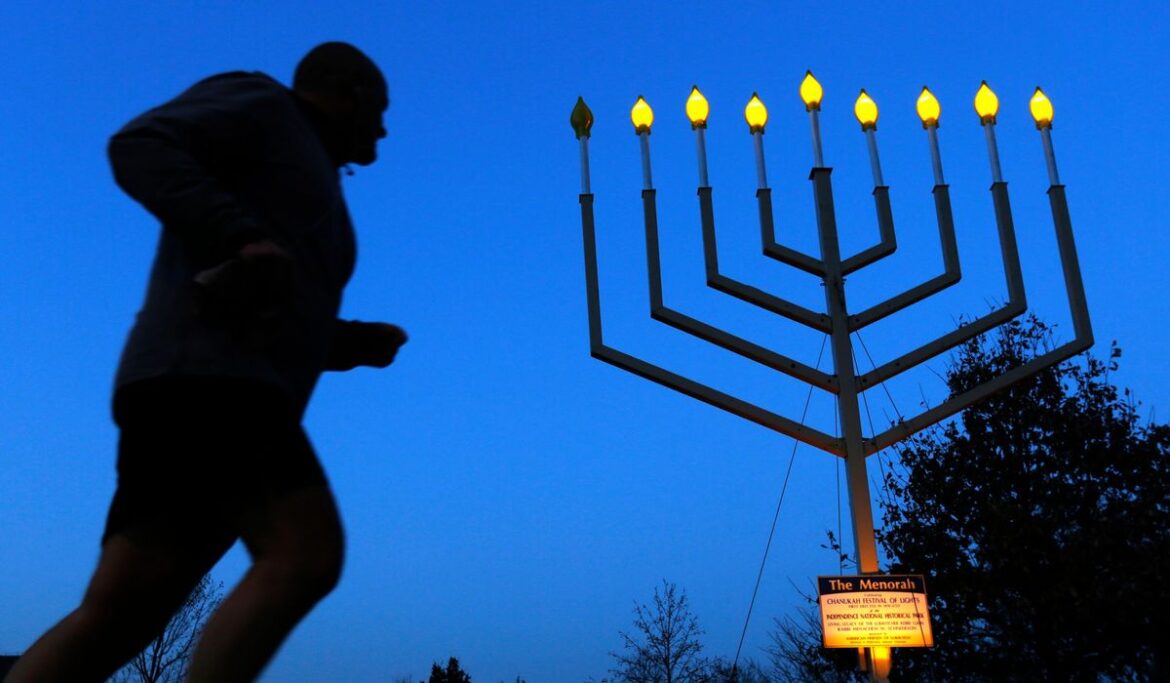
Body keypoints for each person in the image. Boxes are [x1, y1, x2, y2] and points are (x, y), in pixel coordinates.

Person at [4, 42, 406, 683]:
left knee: (120, 614)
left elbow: (272, 300)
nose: (383, 127)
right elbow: (141, 144)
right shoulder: (265, 105)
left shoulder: (313, 179)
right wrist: (236, 234)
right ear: (346, 92)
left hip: (195, 387)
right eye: (378, 108)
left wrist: (349, 344)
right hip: (212, 384)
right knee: (304, 553)